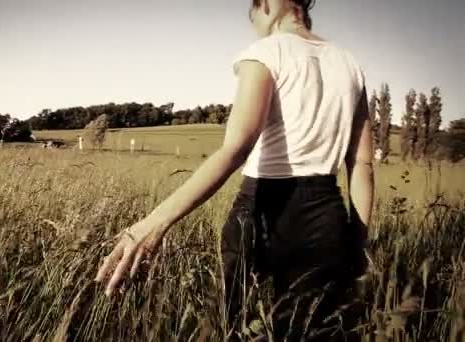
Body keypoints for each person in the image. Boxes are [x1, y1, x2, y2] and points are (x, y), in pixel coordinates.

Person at [95, 0, 374, 340]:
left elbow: (236, 148)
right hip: (327, 217)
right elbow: (361, 163)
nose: (253, 23)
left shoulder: (265, 53)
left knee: (231, 328)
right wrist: (358, 242)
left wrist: (154, 222)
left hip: (262, 211)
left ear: (267, 5)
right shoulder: (349, 64)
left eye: (251, 14)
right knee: (304, 331)